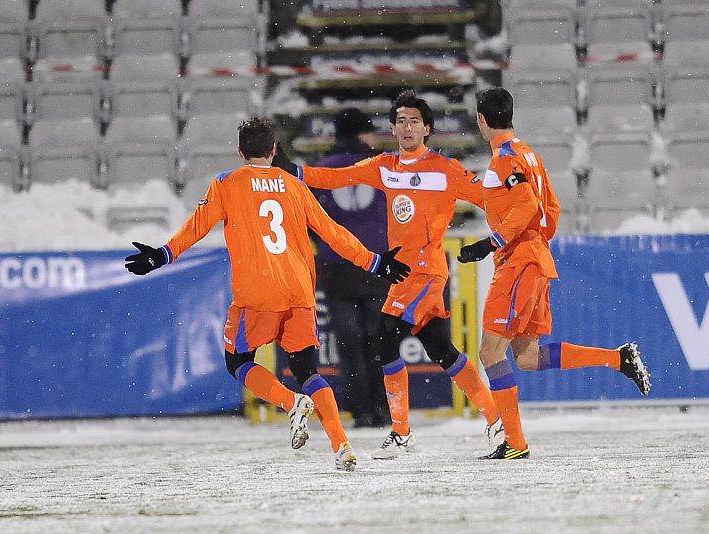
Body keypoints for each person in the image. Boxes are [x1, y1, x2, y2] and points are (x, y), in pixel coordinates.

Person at [124, 117, 411, 471]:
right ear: (274, 151)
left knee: (239, 362)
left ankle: (291, 403)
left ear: (241, 151)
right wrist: (375, 263)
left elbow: (195, 228)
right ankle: (342, 445)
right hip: (298, 290)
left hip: (257, 291)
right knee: (308, 369)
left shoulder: (226, 183)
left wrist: (161, 255)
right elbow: (333, 233)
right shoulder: (294, 185)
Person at [273, 91, 505, 460]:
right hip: (403, 275)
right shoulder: (384, 166)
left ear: (427, 128)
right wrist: (292, 169)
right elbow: (332, 178)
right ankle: (493, 421)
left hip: (427, 272)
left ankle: (405, 431)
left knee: (386, 337)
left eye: (414, 121)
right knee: (439, 349)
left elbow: (489, 198)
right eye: (400, 120)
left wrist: (502, 224)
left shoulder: (444, 169)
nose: (406, 127)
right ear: (393, 128)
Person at [458, 87, 652, 460]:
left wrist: (492, 243)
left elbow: (529, 204)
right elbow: (551, 205)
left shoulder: (503, 160)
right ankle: (619, 358)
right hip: (534, 258)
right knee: (526, 357)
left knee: (489, 351)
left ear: (482, 120)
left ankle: (514, 443)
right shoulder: (528, 154)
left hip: (519, 262)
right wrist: (536, 243)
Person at [311, 108, 391, 428]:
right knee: (381, 342)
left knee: (349, 343)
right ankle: (385, 409)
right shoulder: (383, 167)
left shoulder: (320, 170)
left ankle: (359, 410)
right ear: (361, 134)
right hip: (377, 266)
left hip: (337, 268)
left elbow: (306, 217)